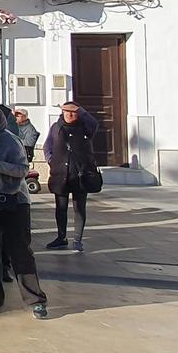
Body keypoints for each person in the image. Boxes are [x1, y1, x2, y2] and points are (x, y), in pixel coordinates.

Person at [0, 102, 51, 319]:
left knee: (20, 250)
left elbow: (23, 169)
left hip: (15, 201)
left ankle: (35, 299)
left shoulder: (10, 141)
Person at [44, 101, 99, 252]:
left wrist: (81, 110)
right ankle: (61, 237)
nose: (69, 114)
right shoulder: (56, 127)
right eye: (66, 111)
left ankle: (77, 239)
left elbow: (95, 124)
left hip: (81, 175)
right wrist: (51, 160)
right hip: (60, 174)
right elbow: (47, 145)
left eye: (73, 112)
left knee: (79, 207)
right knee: (60, 207)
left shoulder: (85, 128)